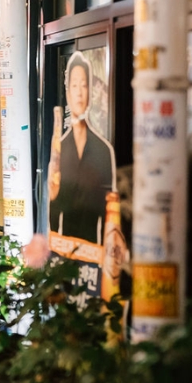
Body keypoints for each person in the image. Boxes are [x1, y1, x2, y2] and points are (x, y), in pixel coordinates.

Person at [48, 52, 116, 244]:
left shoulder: (104, 150)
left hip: (96, 251)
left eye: (84, 85)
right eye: (74, 86)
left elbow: (109, 212)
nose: (79, 92)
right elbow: (53, 211)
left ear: (90, 93)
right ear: (68, 93)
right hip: (65, 253)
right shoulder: (59, 149)